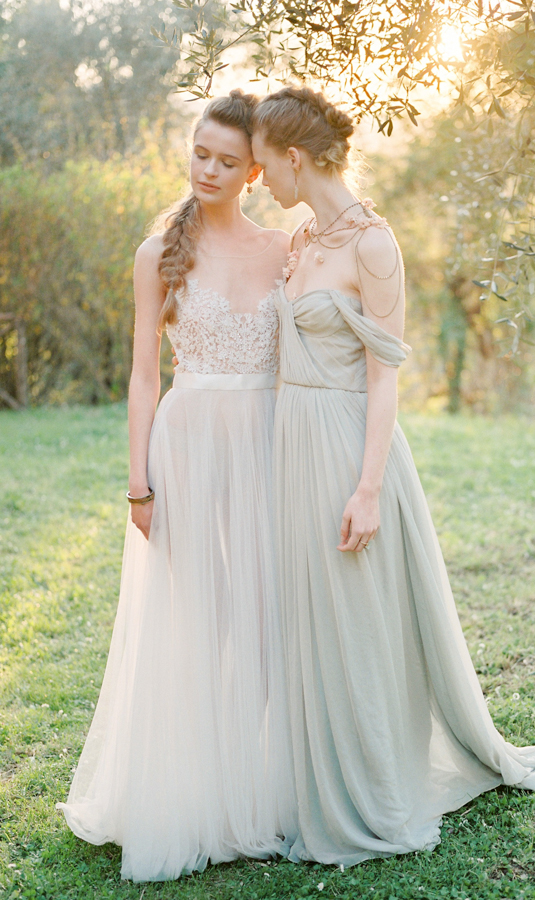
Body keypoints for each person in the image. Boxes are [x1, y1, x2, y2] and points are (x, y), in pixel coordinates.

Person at [250, 85, 535, 867]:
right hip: (292, 442)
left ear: (291, 156)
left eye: (262, 164)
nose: (260, 180)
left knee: (355, 615)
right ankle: (314, 775)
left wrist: (365, 487)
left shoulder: (371, 244)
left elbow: (385, 378)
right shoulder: (301, 238)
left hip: (347, 444)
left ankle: (373, 782)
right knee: (308, 613)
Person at [57, 91, 297, 882]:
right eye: (200, 152)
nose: (209, 170)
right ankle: (194, 787)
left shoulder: (283, 248)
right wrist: (138, 483)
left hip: (263, 441)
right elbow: (140, 374)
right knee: (200, 616)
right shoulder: (157, 250)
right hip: (186, 442)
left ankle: (254, 784)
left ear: (257, 171)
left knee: (265, 614)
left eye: (228, 161)